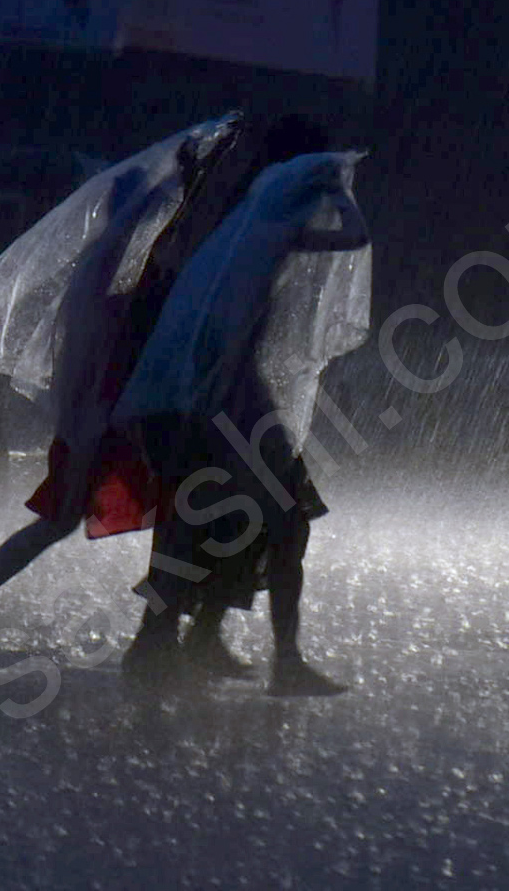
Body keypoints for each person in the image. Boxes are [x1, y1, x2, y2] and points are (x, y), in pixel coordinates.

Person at [0, 113, 244, 658]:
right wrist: (192, 182)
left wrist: (192, 181)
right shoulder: (102, 293)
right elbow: (165, 254)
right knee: (61, 520)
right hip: (91, 426)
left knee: (60, 521)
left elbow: (164, 251)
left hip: (89, 424)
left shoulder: (97, 286)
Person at [113, 144, 371, 695]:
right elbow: (355, 236)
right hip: (224, 401)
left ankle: (164, 642)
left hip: (183, 400)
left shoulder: (234, 232)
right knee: (281, 521)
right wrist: (340, 188)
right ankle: (281, 660)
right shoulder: (271, 234)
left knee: (193, 525)